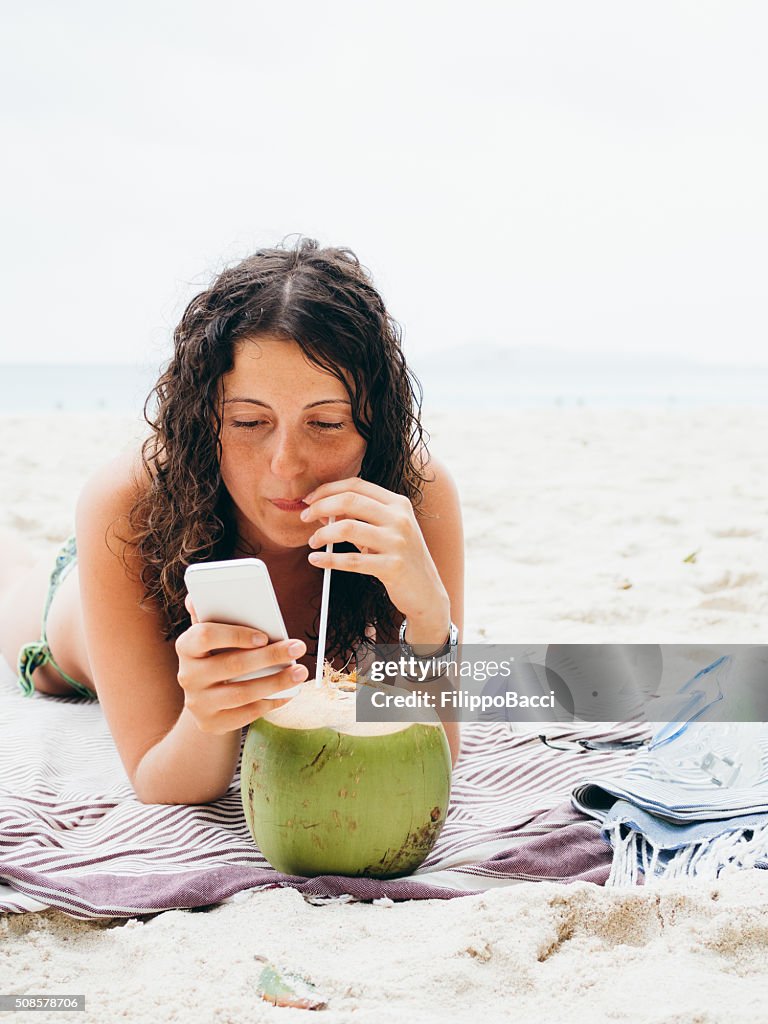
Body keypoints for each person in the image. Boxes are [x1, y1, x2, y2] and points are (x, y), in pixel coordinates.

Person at [0, 238, 464, 805]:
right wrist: (205, 717)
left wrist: (429, 621)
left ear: (377, 425)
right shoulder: (127, 500)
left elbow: (437, 756)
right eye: (247, 421)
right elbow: (159, 779)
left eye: (326, 423)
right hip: (65, 614)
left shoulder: (415, 495)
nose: (286, 465)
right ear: (203, 421)